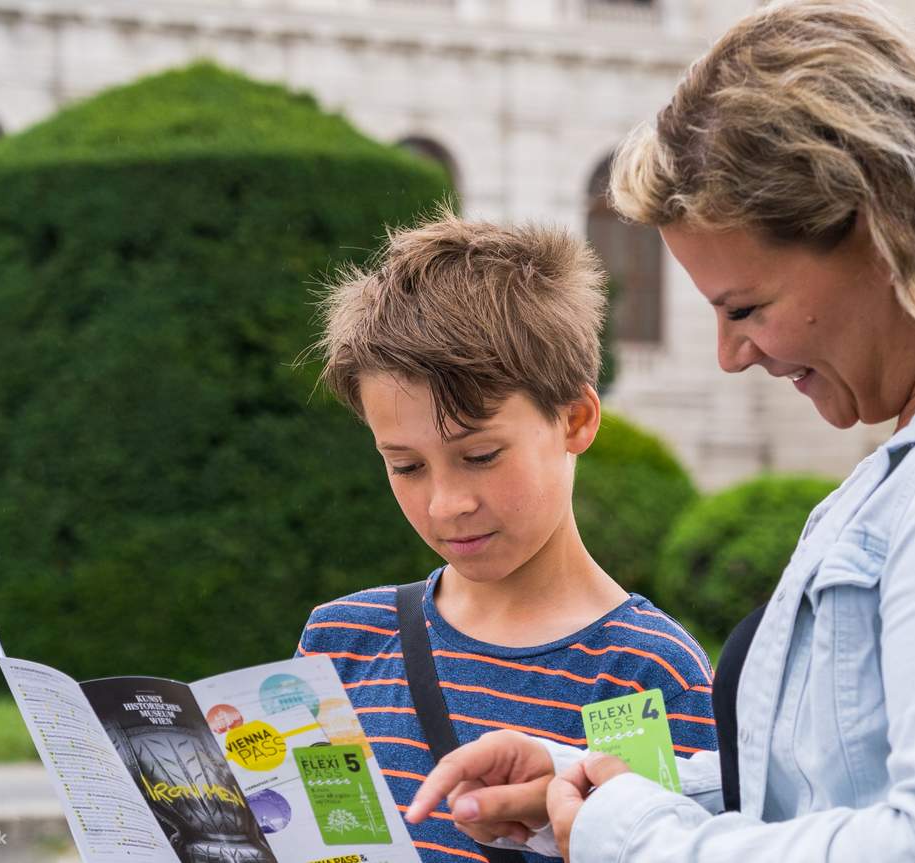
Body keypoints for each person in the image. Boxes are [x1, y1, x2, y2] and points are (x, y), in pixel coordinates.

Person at [402, 1, 915, 860]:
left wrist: (630, 833)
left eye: (746, 307)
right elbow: (835, 785)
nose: (729, 354)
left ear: (880, 238)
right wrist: (590, 784)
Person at [296, 211, 717, 863]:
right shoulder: (341, 643)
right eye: (405, 465)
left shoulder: (642, 674)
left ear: (574, 419)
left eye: (481, 455)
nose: (446, 503)